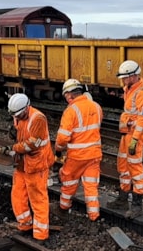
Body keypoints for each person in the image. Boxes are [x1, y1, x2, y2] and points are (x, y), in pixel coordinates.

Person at [1, 93, 54, 242]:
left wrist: (14, 148)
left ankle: (41, 234)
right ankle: (25, 225)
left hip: (37, 165)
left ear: (26, 107)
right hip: (23, 164)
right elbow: (19, 131)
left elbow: (33, 144)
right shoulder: (17, 114)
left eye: (19, 115)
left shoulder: (38, 118)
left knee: (38, 199)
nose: (17, 118)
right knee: (18, 195)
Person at [107, 60, 143, 219]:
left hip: (135, 136)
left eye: (125, 77)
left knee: (136, 170)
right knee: (123, 166)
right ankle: (123, 198)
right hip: (126, 134)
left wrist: (135, 140)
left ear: (134, 76)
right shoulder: (130, 89)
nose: (123, 81)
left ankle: (137, 205)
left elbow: (142, 119)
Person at [54, 79, 103, 222]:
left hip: (77, 156)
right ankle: (94, 216)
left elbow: (62, 138)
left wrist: (58, 150)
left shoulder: (71, 111)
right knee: (91, 186)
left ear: (69, 95)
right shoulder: (96, 106)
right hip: (94, 154)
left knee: (69, 181)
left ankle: (63, 208)